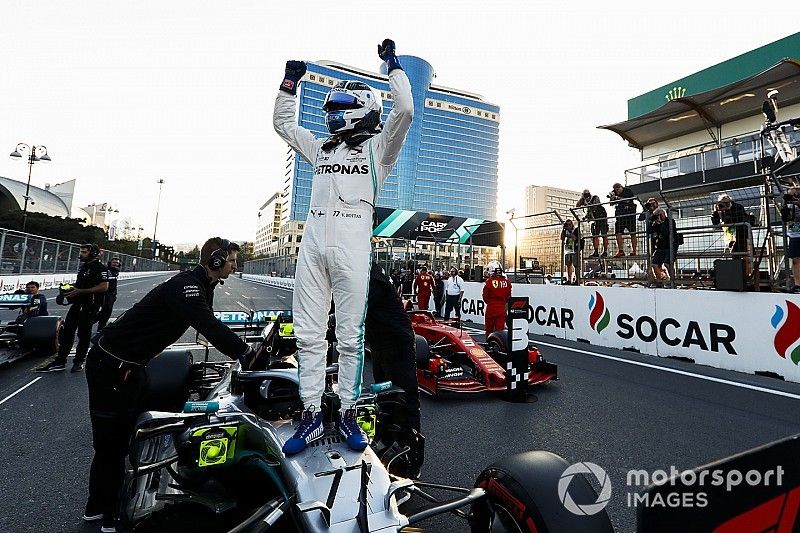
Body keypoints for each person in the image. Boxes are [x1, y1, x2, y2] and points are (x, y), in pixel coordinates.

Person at [274, 39, 413, 455]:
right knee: (309, 336)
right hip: (312, 249)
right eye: (330, 108)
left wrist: (393, 66)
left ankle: (348, 411)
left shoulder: (378, 150)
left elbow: (405, 110)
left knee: (351, 337)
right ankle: (312, 412)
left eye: (338, 107)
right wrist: (287, 85)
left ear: (361, 108)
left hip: (353, 250)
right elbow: (284, 125)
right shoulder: (320, 149)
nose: (331, 114)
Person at [81, 237, 255, 532]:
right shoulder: (187, 285)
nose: (235, 266)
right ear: (215, 261)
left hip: (133, 367)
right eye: (231, 261)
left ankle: (107, 503)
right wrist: (246, 353)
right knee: (112, 446)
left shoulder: (202, 286)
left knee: (132, 435)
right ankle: (104, 514)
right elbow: (209, 326)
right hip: (110, 367)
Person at [365, 262, 420, 433]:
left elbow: (355, 311)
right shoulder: (366, 272)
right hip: (380, 342)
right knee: (384, 393)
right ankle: (387, 435)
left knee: (402, 395)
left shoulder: (372, 276)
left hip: (396, 342)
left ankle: (410, 443)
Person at [36, 243, 108, 373]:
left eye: (84, 252)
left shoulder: (100, 268)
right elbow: (80, 284)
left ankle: (79, 361)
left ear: (92, 253)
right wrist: (66, 291)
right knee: (67, 333)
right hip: (77, 305)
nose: (81, 254)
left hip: (89, 306)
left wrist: (80, 291)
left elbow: (104, 287)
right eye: (81, 251)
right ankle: (60, 361)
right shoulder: (84, 267)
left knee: (83, 335)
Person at [647, 208, 679, 286]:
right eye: (657, 215)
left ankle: (672, 281)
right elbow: (649, 231)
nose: (659, 216)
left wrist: (661, 223)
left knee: (667, 263)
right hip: (661, 246)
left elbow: (666, 233)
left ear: (664, 214)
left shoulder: (670, 221)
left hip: (671, 245)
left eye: (660, 214)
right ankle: (659, 281)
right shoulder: (656, 224)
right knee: (654, 264)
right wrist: (651, 221)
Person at [482, 261, 511, 336]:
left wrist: (491, 303)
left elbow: (485, 297)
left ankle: (489, 345)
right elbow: (508, 296)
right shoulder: (507, 282)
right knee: (500, 331)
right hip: (501, 308)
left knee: (489, 330)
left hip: (491, 308)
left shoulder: (488, 282)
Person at [577, 190, 609, 257]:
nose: (586, 196)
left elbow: (595, 206)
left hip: (601, 216)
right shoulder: (584, 200)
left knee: (604, 234)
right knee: (595, 235)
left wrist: (588, 205)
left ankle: (605, 251)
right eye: (584, 195)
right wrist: (582, 199)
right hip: (594, 219)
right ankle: (596, 251)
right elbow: (577, 205)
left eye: (587, 194)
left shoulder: (595, 198)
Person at [610, 182, 638, 257]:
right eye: (616, 189)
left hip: (630, 214)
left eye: (618, 189)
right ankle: (621, 250)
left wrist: (617, 197)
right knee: (618, 232)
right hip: (620, 215)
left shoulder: (627, 191)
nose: (617, 191)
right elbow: (611, 204)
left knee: (632, 233)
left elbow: (628, 200)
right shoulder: (614, 193)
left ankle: (634, 250)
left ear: (621, 187)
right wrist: (612, 198)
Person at [781, 187, 800, 293]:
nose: (791, 198)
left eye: (793, 195)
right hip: (793, 234)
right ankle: (797, 285)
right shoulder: (788, 205)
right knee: (795, 260)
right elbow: (786, 218)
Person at [96, 257, 121, 330]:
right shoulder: (106, 270)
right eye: (114, 262)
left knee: (107, 312)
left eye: (117, 263)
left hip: (112, 294)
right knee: (105, 311)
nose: (115, 264)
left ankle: (100, 327)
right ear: (110, 263)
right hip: (105, 294)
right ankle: (93, 323)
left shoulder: (116, 271)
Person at [561, 219, 581, 284]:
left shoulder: (576, 230)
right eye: (567, 224)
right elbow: (562, 238)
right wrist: (564, 229)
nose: (568, 225)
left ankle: (577, 280)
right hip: (568, 249)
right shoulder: (565, 230)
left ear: (572, 224)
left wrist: (569, 231)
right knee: (568, 265)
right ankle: (569, 280)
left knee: (576, 265)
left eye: (569, 224)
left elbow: (575, 238)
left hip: (575, 248)